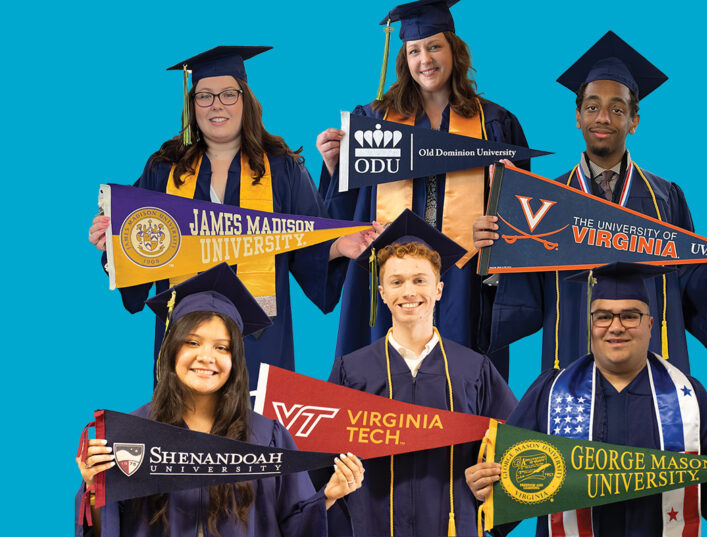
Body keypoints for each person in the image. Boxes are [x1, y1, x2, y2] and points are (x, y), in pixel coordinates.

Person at [86, 46, 378, 384]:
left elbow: (307, 244)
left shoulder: (283, 168)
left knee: (255, 430)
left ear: (246, 99)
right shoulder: (163, 170)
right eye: (205, 97)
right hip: (185, 342)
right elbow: (142, 247)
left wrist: (340, 246)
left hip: (260, 344)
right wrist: (112, 245)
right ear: (191, 105)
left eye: (228, 94)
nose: (217, 105)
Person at [478, 31, 707, 374]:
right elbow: (528, 291)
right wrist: (499, 249)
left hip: (651, 365)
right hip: (573, 355)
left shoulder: (666, 197)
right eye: (592, 107)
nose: (602, 117)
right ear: (578, 117)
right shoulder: (547, 198)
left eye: (616, 109)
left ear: (633, 121)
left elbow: (685, 279)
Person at [315, 0, 529, 378]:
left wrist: (506, 202)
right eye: (414, 50)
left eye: (434, 46)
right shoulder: (374, 121)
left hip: (463, 287)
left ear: (454, 51)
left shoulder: (494, 124)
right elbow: (344, 220)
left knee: (458, 390)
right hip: (385, 284)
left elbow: (522, 228)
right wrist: (335, 168)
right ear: (404, 57)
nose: (425, 59)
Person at [75, 264, 365, 536]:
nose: (206, 357)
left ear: (235, 361)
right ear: (171, 350)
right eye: (192, 342)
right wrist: (94, 487)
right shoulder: (134, 433)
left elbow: (292, 524)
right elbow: (110, 528)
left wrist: (329, 495)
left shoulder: (267, 437)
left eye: (222, 347)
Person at [466, 262, 707, 537]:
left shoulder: (687, 396)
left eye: (630, 316)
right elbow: (502, 491)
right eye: (603, 316)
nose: (616, 327)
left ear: (649, 324)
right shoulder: (548, 393)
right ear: (590, 324)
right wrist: (479, 489)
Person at [326, 210, 517, 536]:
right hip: (374, 526)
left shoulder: (474, 370)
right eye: (396, 282)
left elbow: (518, 451)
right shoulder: (351, 371)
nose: (408, 292)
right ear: (382, 293)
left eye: (420, 280)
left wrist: (494, 491)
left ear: (439, 289)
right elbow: (321, 462)